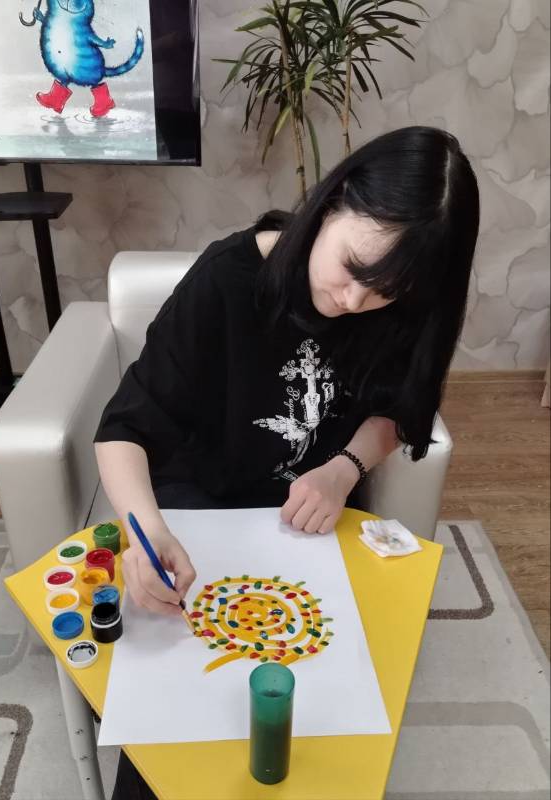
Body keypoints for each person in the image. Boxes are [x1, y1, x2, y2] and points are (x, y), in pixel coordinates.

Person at [94, 125, 480, 799]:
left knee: (327, 728)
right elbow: (124, 428)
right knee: (174, 729)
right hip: (200, 510)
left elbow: (400, 411)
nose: (355, 301)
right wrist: (145, 533)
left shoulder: (405, 302)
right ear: (332, 201)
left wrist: (345, 467)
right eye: (352, 269)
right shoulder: (226, 279)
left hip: (312, 520)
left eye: (384, 292)